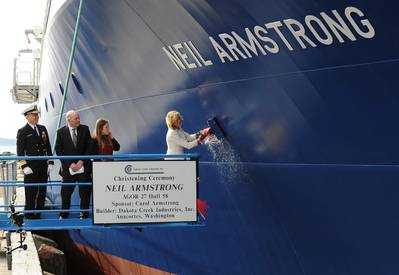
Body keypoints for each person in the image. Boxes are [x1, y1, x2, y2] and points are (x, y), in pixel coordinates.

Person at [165, 110, 210, 218]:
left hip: (180, 161)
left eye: (180, 119)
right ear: (173, 121)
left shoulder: (177, 129)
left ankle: (193, 205)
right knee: (182, 185)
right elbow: (188, 145)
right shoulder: (172, 134)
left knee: (188, 183)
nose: (180, 121)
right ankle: (190, 207)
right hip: (173, 163)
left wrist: (201, 133)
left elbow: (188, 137)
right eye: (178, 120)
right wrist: (200, 140)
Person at [16, 104, 53, 219]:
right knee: (30, 190)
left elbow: (48, 146)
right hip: (31, 167)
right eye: (34, 115)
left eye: (37, 115)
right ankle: (30, 213)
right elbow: (20, 152)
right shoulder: (23, 131)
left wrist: (50, 161)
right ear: (27, 117)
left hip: (42, 165)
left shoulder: (42, 129)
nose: (37, 117)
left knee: (42, 190)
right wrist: (24, 166)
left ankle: (39, 212)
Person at [55, 110, 92, 219]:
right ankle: (64, 213)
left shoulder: (85, 129)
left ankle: (84, 213)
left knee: (85, 191)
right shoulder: (61, 132)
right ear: (69, 119)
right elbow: (59, 150)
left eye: (78, 117)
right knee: (66, 192)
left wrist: (81, 161)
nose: (78, 120)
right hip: (68, 168)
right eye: (76, 118)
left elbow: (89, 147)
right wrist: (70, 164)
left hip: (83, 166)